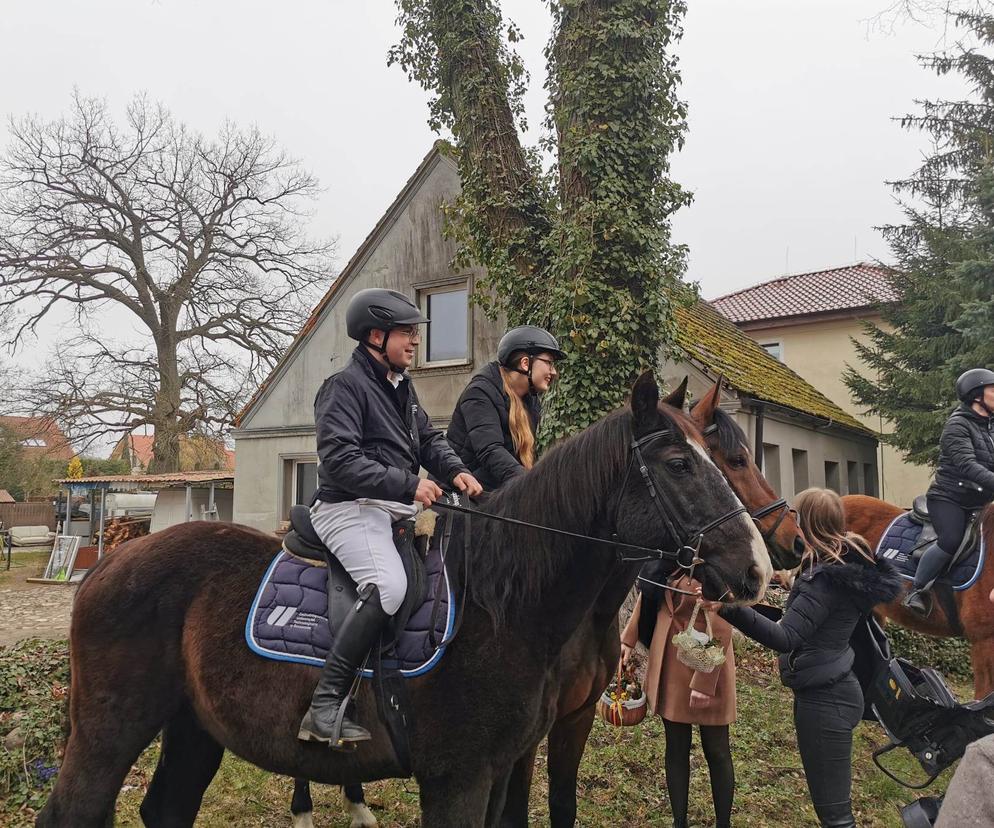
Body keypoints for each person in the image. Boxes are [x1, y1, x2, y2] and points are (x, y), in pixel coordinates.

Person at [298, 287, 482, 747]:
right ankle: (325, 703)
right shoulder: (343, 387)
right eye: (406, 333)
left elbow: (428, 441)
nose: (415, 341)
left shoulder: (403, 388)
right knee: (390, 586)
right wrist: (407, 484)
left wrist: (458, 471)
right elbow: (339, 460)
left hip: (390, 511)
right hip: (348, 508)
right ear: (375, 336)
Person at [717, 488, 903, 828]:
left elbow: (786, 637)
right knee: (832, 809)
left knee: (835, 816)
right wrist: (742, 602)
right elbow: (801, 623)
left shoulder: (823, 581)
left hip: (826, 700)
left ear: (807, 524)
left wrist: (726, 608)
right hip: (831, 691)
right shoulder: (842, 568)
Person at [621, 573, 736, 828]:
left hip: (708, 661)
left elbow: (722, 620)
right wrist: (629, 638)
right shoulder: (672, 555)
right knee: (676, 746)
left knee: (716, 749)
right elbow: (650, 592)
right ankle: (679, 822)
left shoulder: (718, 555)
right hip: (671, 662)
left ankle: (723, 823)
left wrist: (705, 681)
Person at [905, 368, 994, 614]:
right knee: (951, 539)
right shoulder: (957, 426)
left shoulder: (989, 427)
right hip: (949, 499)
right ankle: (917, 590)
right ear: (977, 395)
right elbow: (968, 466)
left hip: (979, 500)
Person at [445, 325, 564, 490]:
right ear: (525, 363)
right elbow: (490, 451)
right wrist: (531, 485)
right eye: (549, 363)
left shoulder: (529, 400)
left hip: (493, 492)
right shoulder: (480, 392)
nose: (554, 372)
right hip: (457, 496)